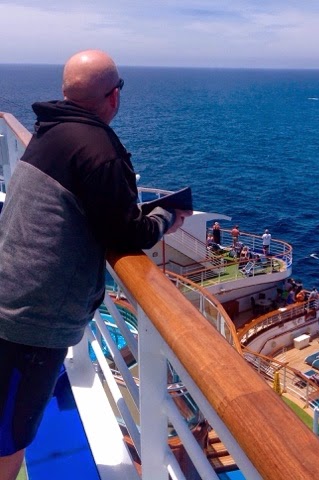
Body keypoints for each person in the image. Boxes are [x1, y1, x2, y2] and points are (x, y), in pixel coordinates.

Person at [0, 49, 192, 479]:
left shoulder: (51, 131)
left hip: (9, 293)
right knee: (9, 438)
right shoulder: (100, 150)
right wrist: (166, 217)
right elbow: (129, 234)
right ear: (113, 96)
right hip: (30, 320)